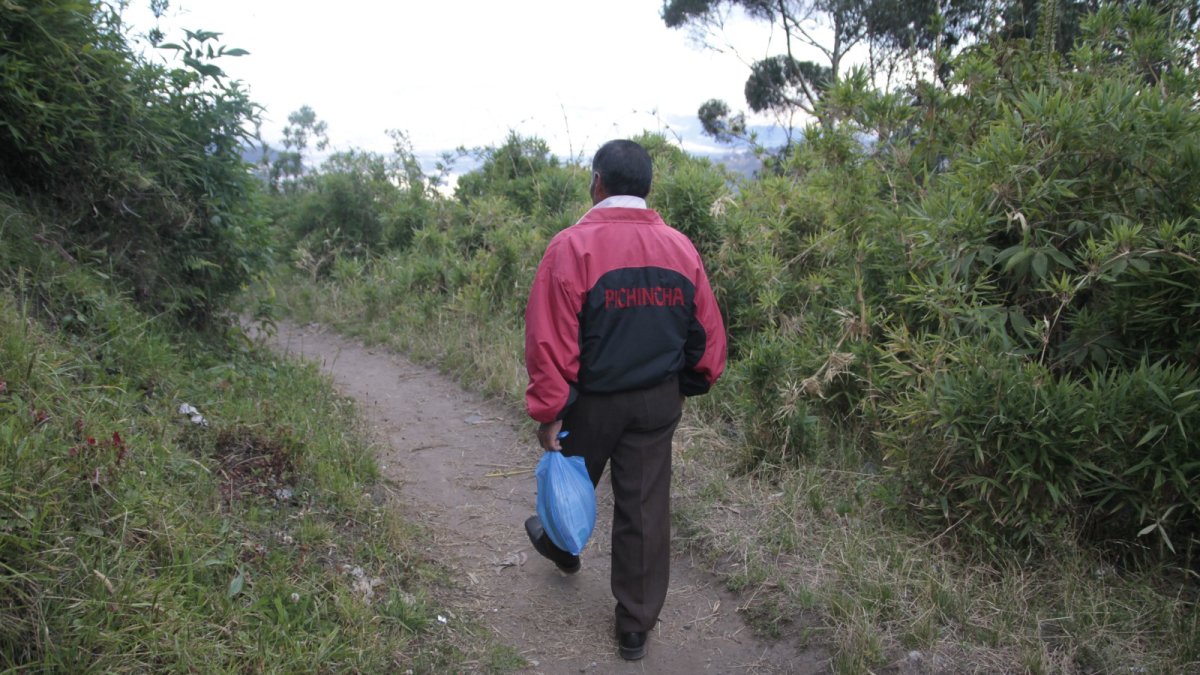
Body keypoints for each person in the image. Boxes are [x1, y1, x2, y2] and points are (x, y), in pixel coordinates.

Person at [522, 139, 727, 661]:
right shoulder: (681, 249)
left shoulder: (570, 248)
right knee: (643, 506)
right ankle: (634, 627)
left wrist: (550, 412)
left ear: (597, 183)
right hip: (657, 402)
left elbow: (551, 339)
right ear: (648, 188)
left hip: (590, 402)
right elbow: (706, 336)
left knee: (572, 481)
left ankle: (560, 545)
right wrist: (689, 381)